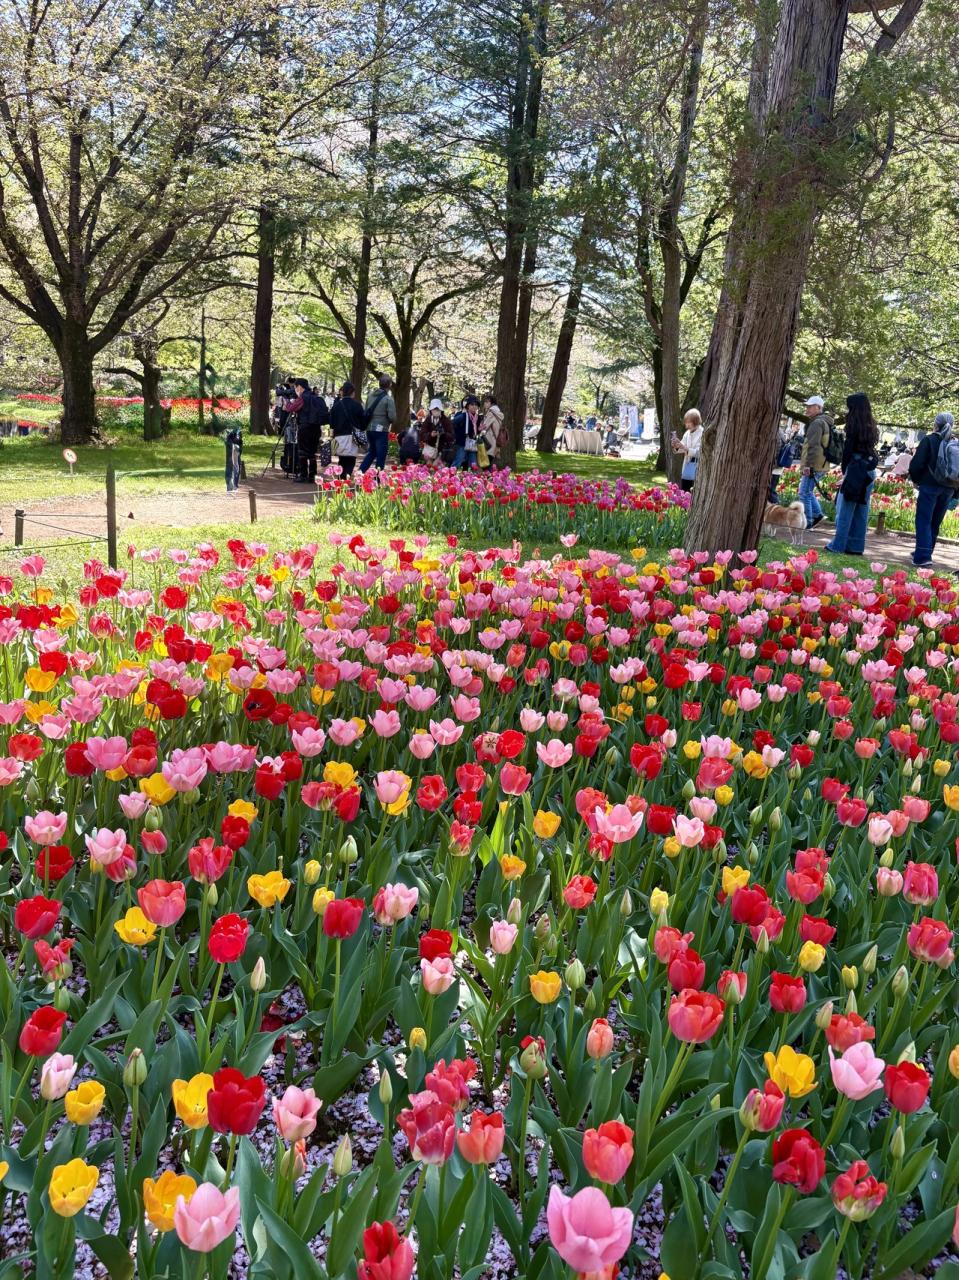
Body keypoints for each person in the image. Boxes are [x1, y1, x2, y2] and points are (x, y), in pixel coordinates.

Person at [823, 393, 879, 555]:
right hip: (868, 469)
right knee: (862, 510)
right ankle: (856, 546)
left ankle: (838, 545)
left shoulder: (853, 425)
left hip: (855, 468)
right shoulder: (871, 425)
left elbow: (847, 451)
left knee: (845, 510)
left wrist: (845, 471)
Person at [909, 412, 957, 566]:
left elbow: (917, 464)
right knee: (935, 522)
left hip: (930, 485)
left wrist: (916, 480)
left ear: (935, 424)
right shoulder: (955, 442)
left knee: (924, 520)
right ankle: (925, 551)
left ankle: (923, 557)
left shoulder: (929, 440)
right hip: (949, 488)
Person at [287, 378, 329, 483]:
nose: (295, 390)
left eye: (295, 387)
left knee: (302, 451)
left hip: (305, 427)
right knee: (312, 452)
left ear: (299, 387)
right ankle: (312, 475)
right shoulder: (316, 397)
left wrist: (288, 402)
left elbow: (291, 408)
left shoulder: (302, 398)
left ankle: (303, 475)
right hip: (316, 428)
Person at [798, 395, 831, 528]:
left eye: (810, 406)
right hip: (820, 464)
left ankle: (808, 521)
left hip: (814, 465)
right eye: (807, 406)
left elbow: (813, 446)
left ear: (819, 407)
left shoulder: (817, 423)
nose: (807, 409)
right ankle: (817, 515)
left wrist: (808, 466)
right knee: (808, 491)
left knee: (803, 493)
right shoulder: (824, 421)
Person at [360, 373, 397, 472]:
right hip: (381, 430)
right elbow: (392, 417)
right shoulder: (388, 399)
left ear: (379, 383)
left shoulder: (370, 396)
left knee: (372, 452)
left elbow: (366, 410)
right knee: (381, 455)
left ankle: (360, 472)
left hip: (369, 428)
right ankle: (378, 478)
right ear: (390, 385)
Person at [328, 381, 366, 478]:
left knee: (342, 459)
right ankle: (346, 478)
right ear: (352, 392)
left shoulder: (336, 406)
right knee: (351, 460)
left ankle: (341, 478)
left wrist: (331, 436)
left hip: (339, 436)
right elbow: (363, 422)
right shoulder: (357, 405)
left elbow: (331, 423)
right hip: (352, 437)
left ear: (342, 392)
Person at [671, 408, 703, 491]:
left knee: (695, 493)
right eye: (686, 423)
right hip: (687, 469)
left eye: (688, 422)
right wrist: (676, 446)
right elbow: (682, 447)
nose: (686, 425)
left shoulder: (702, 433)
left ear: (695, 421)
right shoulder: (687, 433)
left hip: (698, 470)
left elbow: (700, 453)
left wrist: (684, 447)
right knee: (685, 493)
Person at [451, 395, 481, 469]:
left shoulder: (478, 418)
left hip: (473, 443)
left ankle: (473, 476)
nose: (474, 406)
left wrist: (479, 430)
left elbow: (475, 432)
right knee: (458, 460)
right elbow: (452, 423)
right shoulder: (463, 415)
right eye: (472, 404)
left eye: (476, 405)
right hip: (462, 443)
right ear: (467, 406)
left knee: (473, 463)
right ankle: (449, 474)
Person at [480, 394, 506, 467]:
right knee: (488, 462)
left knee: (485, 464)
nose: (485, 403)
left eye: (487, 402)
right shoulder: (497, 413)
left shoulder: (491, 413)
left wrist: (479, 427)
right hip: (495, 440)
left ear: (491, 403)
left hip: (488, 441)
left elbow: (484, 426)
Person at [223, 424, 242, 494]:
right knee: (232, 466)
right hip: (232, 445)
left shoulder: (237, 429)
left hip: (234, 445)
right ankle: (231, 485)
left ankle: (233, 485)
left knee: (234, 466)